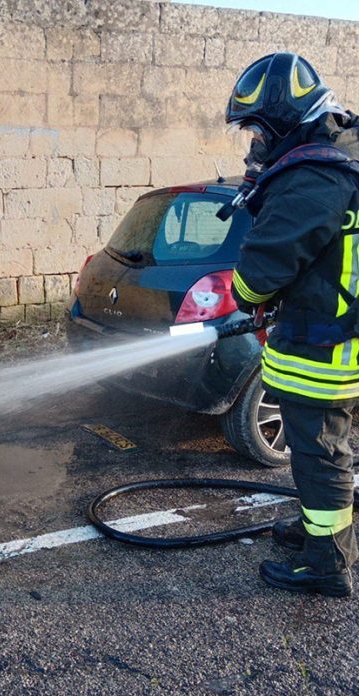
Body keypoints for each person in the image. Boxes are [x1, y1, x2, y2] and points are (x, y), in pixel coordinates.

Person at [226, 52, 359, 597]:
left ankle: (327, 565)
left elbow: (257, 277)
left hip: (324, 349)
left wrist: (246, 295)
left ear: (283, 122)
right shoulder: (343, 159)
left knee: (321, 455)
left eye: (259, 130)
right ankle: (316, 529)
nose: (255, 143)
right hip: (335, 334)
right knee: (317, 451)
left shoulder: (313, 181)